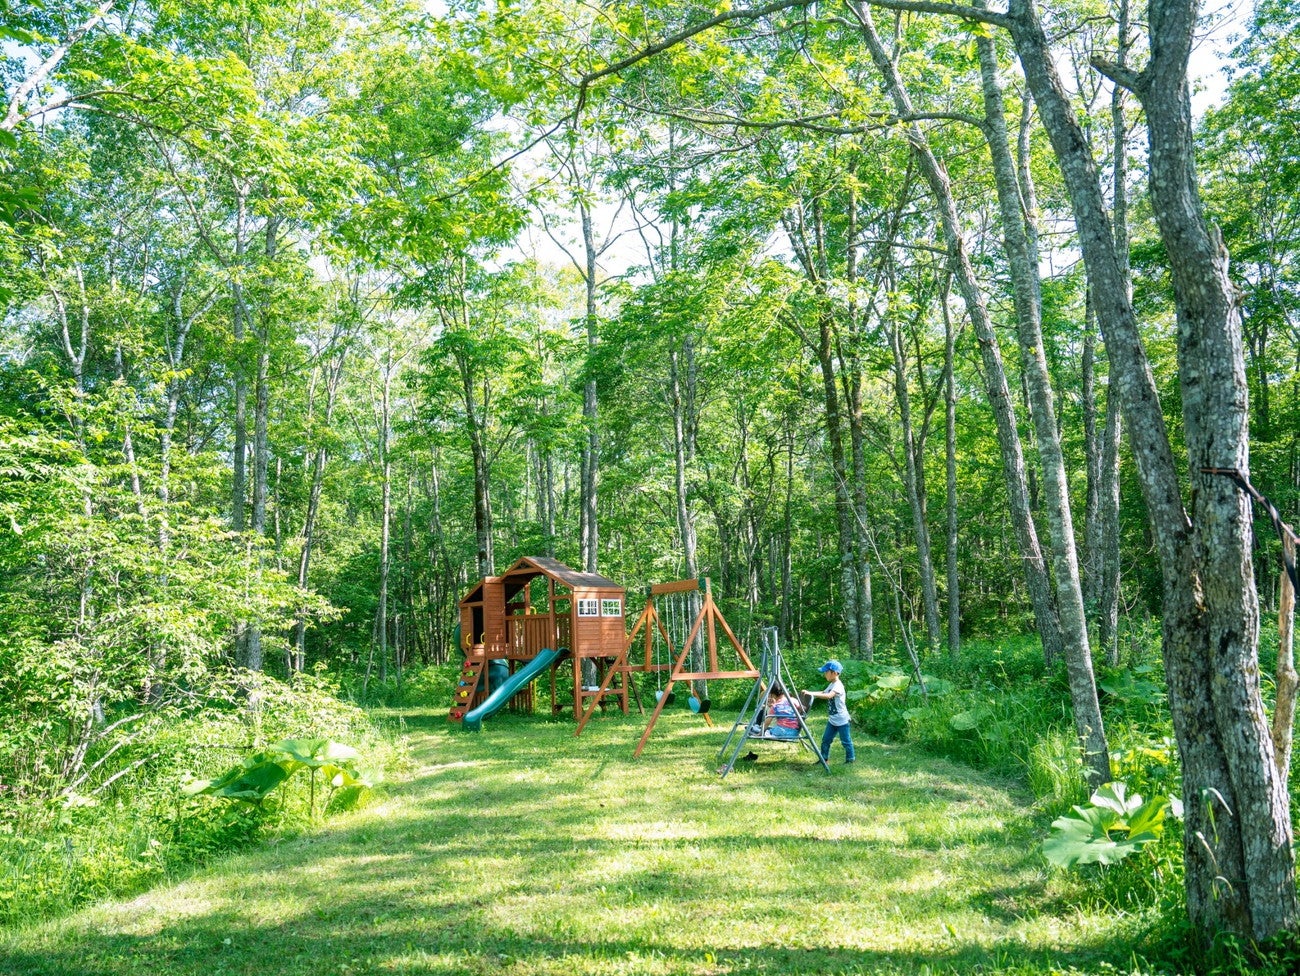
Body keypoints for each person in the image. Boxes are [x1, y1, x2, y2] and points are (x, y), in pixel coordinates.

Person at [803, 660, 855, 763]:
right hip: (833, 720)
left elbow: (828, 696)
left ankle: (850, 759)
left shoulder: (838, 685)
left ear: (834, 673)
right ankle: (824, 759)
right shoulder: (832, 684)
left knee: (846, 741)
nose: (824, 674)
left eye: (826, 672)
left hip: (842, 720)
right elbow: (823, 692)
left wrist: (811, 694)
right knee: (826, 740)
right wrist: (809, 692)